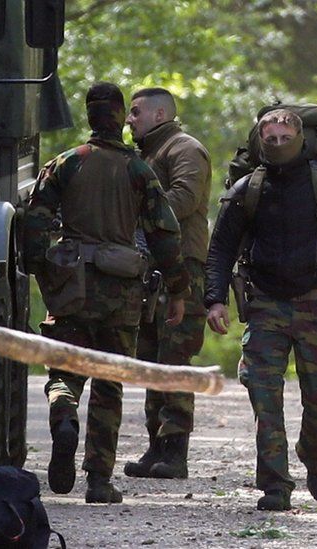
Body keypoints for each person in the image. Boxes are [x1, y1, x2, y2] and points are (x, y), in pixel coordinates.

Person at [24, 82, 191, 504]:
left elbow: (34, 223)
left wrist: (42, 270)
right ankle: (99, 480)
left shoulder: (64, 164)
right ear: (119, 118)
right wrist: (177, 288)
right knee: (109, 383)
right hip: (120, 294)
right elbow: (164, 233)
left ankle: (64, 416)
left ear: (89, 117)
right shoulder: (138, 170)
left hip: (71, 288)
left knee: (64, 371)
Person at [205, 109, 317, 511]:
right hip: (265, 307)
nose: (278, 145)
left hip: (316, 306)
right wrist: (214, 299)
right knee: (264, 397)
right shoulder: (248, 189)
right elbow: (220, 250)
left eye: (285, 137)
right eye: (270, 139)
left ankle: (315, 456)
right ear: (260, 141)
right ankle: (275, 484)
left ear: (300, 139)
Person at [122, 87, 213, 479]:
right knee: (150, 356)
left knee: (174, 357)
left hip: (184, 268)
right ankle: (155, 446)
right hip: (151, 268)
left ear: (160, 115)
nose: (129, 119)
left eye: (136, 112)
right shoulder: (149, 154)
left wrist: (133, 214)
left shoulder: (184, 149)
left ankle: (175, 452)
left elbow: (184, 200)